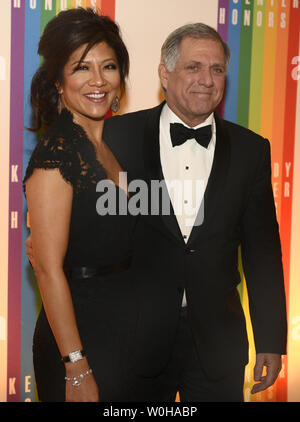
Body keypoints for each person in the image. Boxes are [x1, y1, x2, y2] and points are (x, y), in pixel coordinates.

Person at [26, 21, 287, 402]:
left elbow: (263, 251)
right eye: (193, 67)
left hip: (217, 343)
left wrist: (270, 338)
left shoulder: (252, 150)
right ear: (164, 74)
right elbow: (62, 244)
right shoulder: (116, 136)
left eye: (217, 69)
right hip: (134, 343)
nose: (206, 79)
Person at [23, 7, 137, 402]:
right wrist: (76, 367)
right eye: (81, 68)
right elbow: (49, 270)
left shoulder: (110, 147)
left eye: (108, 66)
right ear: (58, 80)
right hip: (79, 341)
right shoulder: (58, 153)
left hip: (119, 334)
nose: (98, 80)